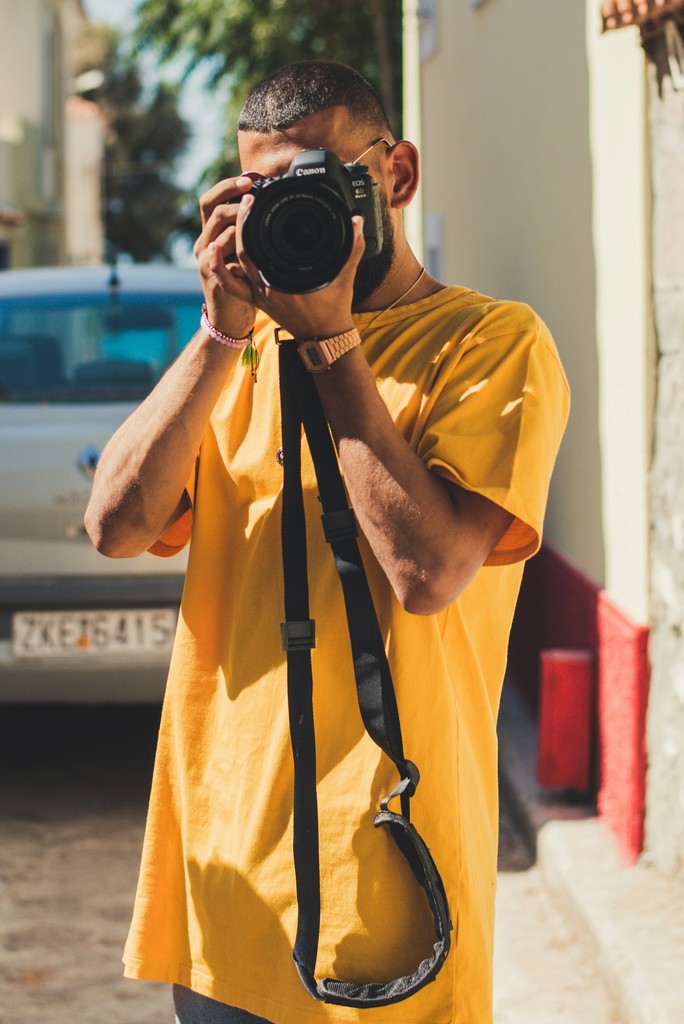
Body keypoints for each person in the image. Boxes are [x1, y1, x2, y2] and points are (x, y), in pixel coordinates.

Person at [85, 59, 569, 1024]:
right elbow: (116, 526)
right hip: (223, 901)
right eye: (264, 194)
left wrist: (332, 344)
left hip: (393, 898)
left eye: (322, 182)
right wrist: (219, 333)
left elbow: (429, 573)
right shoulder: (240, 358)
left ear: (397, 175)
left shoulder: (492, 343)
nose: (292, 214)